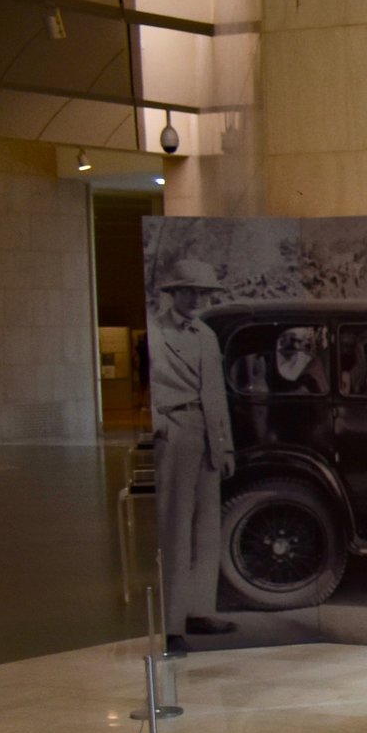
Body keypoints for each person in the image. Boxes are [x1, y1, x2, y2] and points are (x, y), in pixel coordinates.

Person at [151, 259, 237, 638]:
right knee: (175, 529)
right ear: (172, 293)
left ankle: (200, 610)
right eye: (188, 290)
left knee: (207, 528)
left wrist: (225, 446)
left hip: (206, 436)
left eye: (202, 291)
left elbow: (216, 395)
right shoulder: (154, 332)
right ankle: (171, 625)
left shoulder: (206, 334)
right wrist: (160, 427)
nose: (196, 298)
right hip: (175, 433)